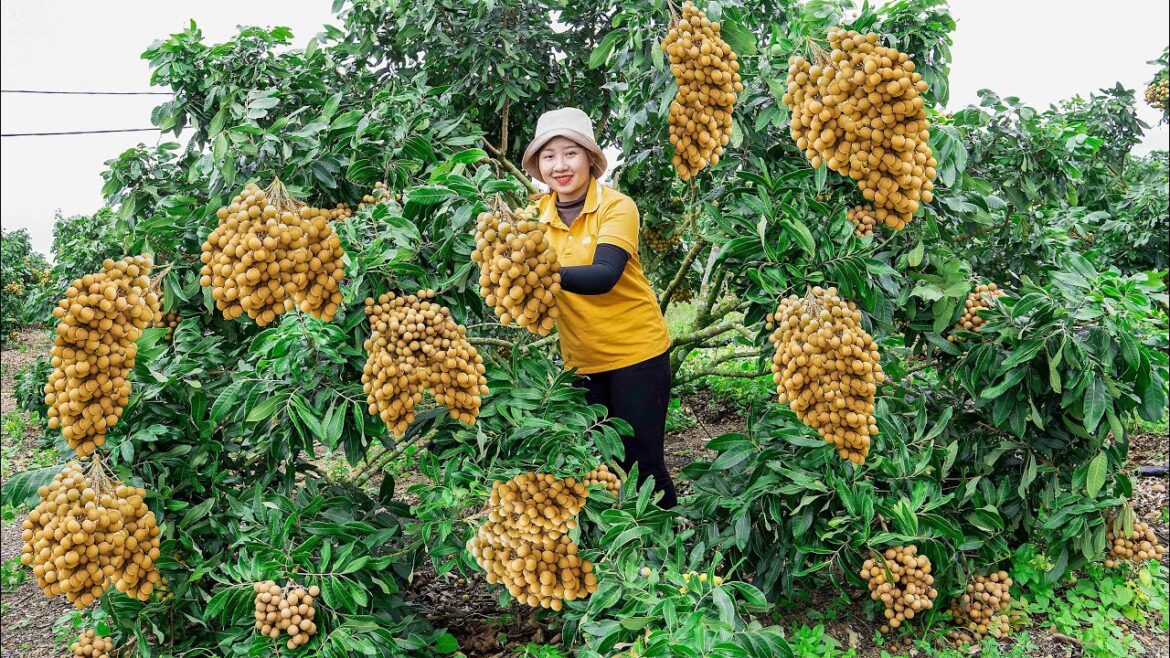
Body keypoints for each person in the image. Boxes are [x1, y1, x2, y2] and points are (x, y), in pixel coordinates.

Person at [520, 107, 677, 508]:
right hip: (581, 361)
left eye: (570, 153)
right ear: (539, 165)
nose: (560, 165)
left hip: (636, 354)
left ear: (590, 158)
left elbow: (604, 274)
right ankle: (624, 549)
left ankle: (671, 552)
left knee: (643, 464)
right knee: (602, 465)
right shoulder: (533, 218)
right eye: (549, 156)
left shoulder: (617, 206)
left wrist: (538, 272)